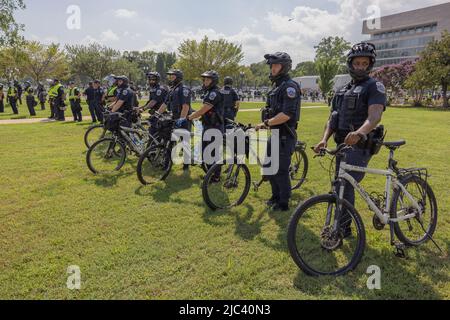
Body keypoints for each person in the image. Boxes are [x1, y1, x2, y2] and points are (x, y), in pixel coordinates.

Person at [313, 42, 387, 238]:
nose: (361, 67)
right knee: (340, 184)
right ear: (350, 64)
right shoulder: (342, 89)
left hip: (360, 145)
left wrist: (359, 133)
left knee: (343, 185)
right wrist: (323, 140)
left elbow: (374, 116)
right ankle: (343, 226)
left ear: (370, 65)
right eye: (357, 63)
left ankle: (343, 229)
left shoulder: (374, 86)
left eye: (365, 63)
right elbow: (333, 118)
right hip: (342, 145)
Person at [255, 52, 301, 212]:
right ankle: (275, 196)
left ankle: (283, 202)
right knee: (269, 167)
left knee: (281, 171)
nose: (272, 69)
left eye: (276, 65)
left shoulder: (289, 87)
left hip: (285, 135)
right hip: (274, 134)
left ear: (284, 67)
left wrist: (266, 123)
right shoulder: (277, 87)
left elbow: (286, 114)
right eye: (272, 66)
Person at [188, 70, 224, 178]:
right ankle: (210, 174)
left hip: (215, 126)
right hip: (208, 125)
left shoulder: (214, 93)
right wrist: (199, 117)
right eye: (204, 80)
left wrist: (191, 116)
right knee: (206, 152)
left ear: (213, 81)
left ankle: (216, 176)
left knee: (212, 152)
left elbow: (205, 108)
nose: (205, 82)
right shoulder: (209, 92)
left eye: (208, 80)